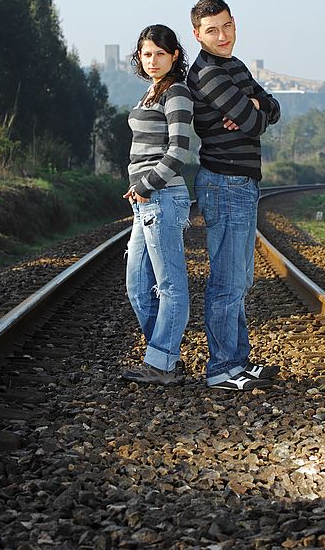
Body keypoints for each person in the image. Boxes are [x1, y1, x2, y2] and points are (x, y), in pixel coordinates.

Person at [187, 0, 282, 391]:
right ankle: (222, 368)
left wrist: (256, 104)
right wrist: (254, 110)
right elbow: (254, 123)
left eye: (227, 26)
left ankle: (238, 360)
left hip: (242, 182)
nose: (222, 36)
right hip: (225, 182)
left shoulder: (235, 67)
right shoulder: (208, 73)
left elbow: (271, 110)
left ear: (234, 24)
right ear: (197, 34)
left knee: (240, 279)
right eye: (212, 30)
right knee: (227, 280)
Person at [121, 24, 193, 386]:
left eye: (160, 54)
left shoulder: (176, 92)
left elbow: (179, 150)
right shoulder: (149, 93)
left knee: (170, 286)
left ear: (174, 55)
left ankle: (162, 363)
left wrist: (146, 185)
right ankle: (163, 355)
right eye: (146, 54)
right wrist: (138, 188)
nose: (152, 60)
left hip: (163, 197)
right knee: (137, 286)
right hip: (146, 200)